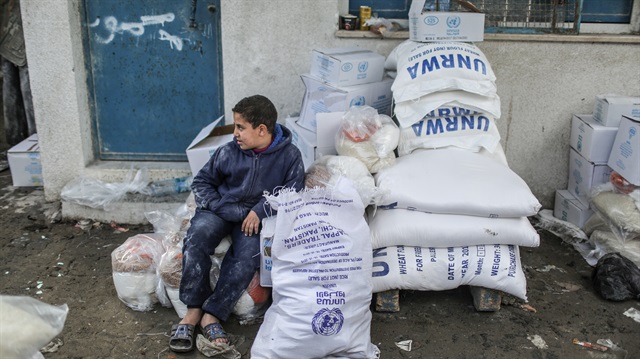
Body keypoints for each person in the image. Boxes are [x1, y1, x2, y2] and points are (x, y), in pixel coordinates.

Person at [169, 94, 305, 353]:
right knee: (197, 237)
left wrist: (260, 210)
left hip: (255, 221)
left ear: (262, 129)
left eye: (240, 127)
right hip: (221, 210)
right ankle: (193, 310)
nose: (235, 133)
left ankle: (213, 314)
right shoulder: (228, 151)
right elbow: (202, 182)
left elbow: (293, 192)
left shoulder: (289, 156)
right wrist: (223, 207)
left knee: (247, 256)